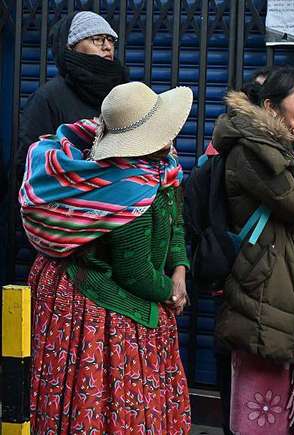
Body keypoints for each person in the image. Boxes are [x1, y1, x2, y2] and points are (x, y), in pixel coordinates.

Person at [20, 81, 193, 433]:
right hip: (97, 305)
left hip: (77, 292)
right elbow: (135, 273)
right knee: (104, 399)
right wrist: (169, 293)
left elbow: (175, 218)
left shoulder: (160, 168)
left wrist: (180, 269)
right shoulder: (127, 191)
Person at [212, 68, 294, 434]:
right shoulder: (254, 150)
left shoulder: (278, 147)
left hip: (279, 282)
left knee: (282, 400)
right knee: (260, 404)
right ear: (271, 107)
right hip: (261, 285)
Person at [16, 11, 129, 179]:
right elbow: (31, 166)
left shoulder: (123, 94)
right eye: (97, 39)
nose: (107, 46)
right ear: (71, 46)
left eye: (111, 40)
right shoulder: (47, 99)